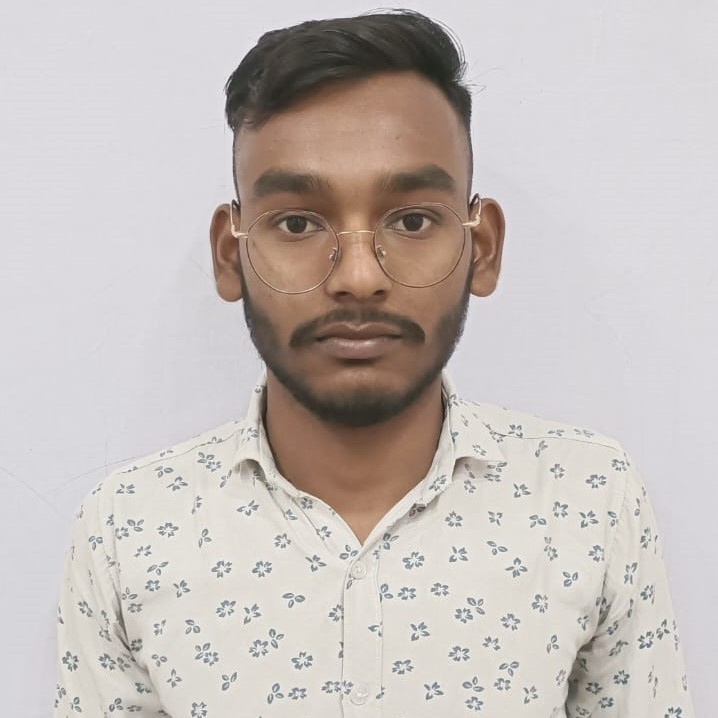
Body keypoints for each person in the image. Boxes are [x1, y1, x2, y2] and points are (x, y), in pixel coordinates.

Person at [53, 10, 694, 717]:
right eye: (297, 223)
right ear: (231, 256)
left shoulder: (588, 501)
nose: (358, 278)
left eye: (412, 220)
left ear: (481, 248)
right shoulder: (131, 529)